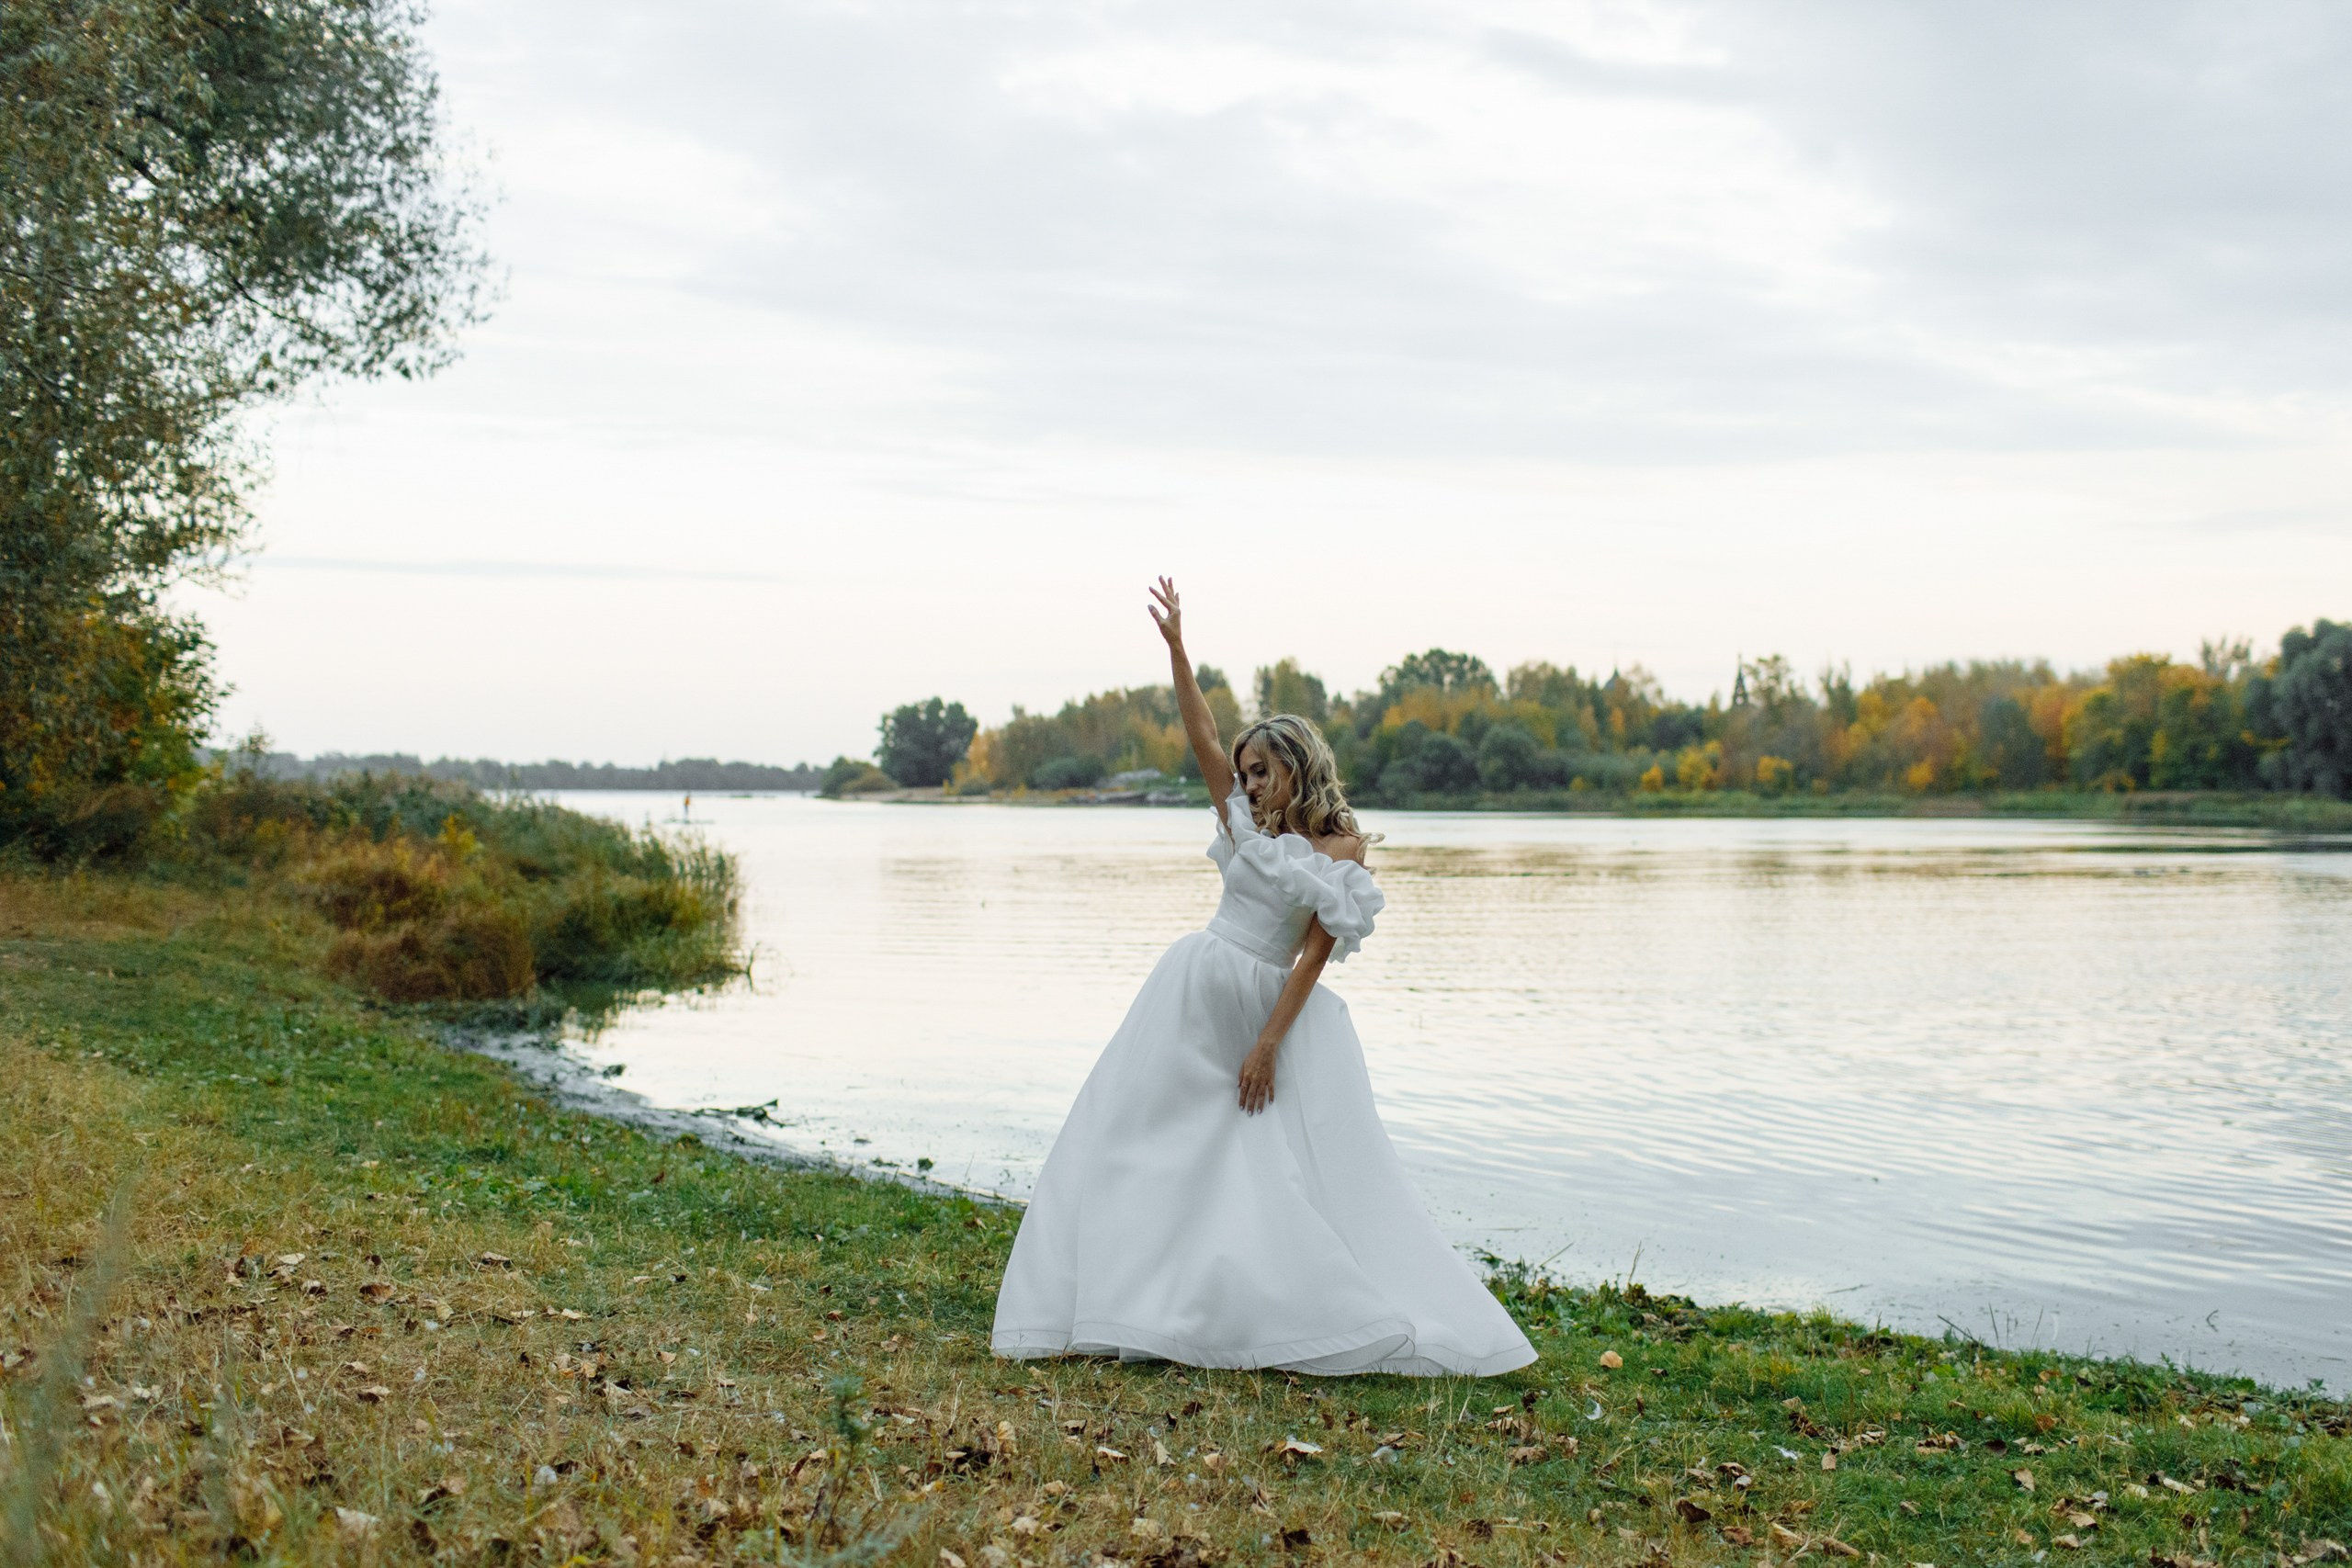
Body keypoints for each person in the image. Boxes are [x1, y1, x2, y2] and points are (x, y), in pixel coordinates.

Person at [990, 578, 1536, 1376]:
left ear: (1296, 766)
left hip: (1261, 1004)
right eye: (1241, 772)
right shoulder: (1242, 822)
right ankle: (1130, 1306)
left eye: (1259, 771)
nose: (1244, 782)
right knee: (1142, 1143)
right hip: (1188, 990)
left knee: (1255, 1165)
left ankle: (1269, 1312)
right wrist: (1178, 648)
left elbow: (1312, 956)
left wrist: (1268, 1043)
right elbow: (1201, 732)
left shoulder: (1339, 850)